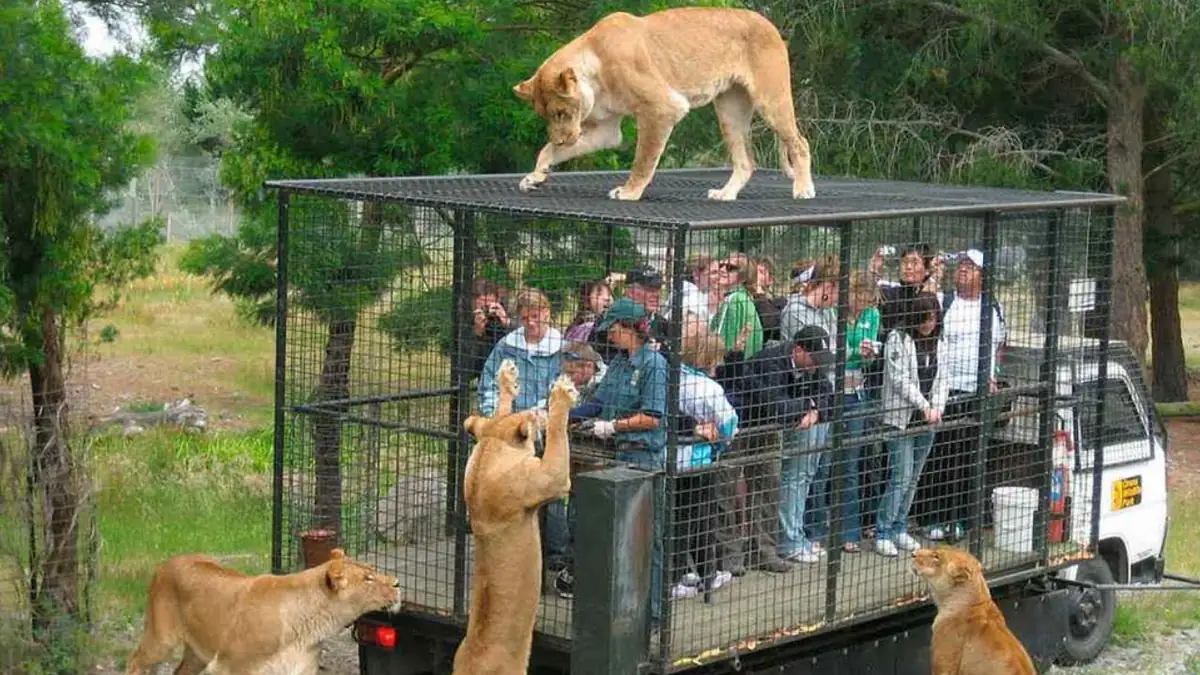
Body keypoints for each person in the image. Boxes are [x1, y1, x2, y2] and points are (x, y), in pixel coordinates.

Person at [572, 297, 669, 621]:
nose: (609, 335)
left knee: (644, 540)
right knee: (613, 537)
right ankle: (617, 610)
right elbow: (597, 403)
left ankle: (650, 615)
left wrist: (613, 426)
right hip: (615, 460)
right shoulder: (617, 363)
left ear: (629, 329)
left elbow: (653, 417)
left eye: (613, 329)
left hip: (643, 461)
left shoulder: (654, 366)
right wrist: (560, 414)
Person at [919, 249, 1007, 542]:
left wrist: (993, 375)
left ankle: (960, 519)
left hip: (977, 392)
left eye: (971, 267)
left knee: (969, 458)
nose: (964, 270)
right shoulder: (946, 302)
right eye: (962, 265)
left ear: (983, 275)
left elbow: (999, 345)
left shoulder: (992, 307)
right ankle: (933, 517)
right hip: (946, 391)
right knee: (940, 455)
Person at [876, 292, 948, 557]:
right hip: (900, 420)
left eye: (933, 318)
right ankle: (883, 531)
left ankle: (899, 526)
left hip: (928, 421)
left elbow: (943, 378)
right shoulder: (898, 339)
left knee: (914, 477)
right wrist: (924, 406)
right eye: (925, 319)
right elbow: (899, 379)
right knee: (901, 475)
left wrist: (938, 406)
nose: (929, 324)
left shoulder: (939, 342)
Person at [670, 327, 739, 599]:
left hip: (672, 459)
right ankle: (694, 576)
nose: (720, 363)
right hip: (699, 460)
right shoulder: (709, 388)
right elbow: (730, 424)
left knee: (679, 518)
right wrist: (719, 441)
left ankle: (694, 572)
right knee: (699, 519)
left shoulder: (674, 378)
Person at [775, 326, 836, 563]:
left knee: (807, 476)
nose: (816, 364)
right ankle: (789, 541)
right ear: (799, 351)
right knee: (794, 477)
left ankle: (798, 536)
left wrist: (815, 411)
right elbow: (777, 404)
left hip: (810, 425)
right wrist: (807, 408)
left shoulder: (813, 368)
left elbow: (828, 395)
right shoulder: (776, 362)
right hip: (784, 431)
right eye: (814, 357)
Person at [835, 271, 882, 553]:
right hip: (833, 389)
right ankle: (818, 527)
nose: (862, 305)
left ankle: (849, 530)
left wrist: (869, 352)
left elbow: (870, 350)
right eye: (859, 299)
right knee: (825, 464)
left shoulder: (872, 316)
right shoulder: (836, 313)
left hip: (857, 391)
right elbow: (834, 351)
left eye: (868, 301)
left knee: (851, 463)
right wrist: (854, 350)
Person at [476, 288, 564, 416]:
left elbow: (561, 394)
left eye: (535, 316)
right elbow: (488, 384)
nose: (530, 322)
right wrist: (495, 414)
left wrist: (535, 416)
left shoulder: (561, 349)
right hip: (505, 423)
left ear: (547, 312)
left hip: (544, 424)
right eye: (524, 318)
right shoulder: (506, 346)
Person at [588, 263, 667, 362]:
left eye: (658, 289)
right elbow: (592, 358)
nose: (655, 295)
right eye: (649, 289)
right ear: (629, 291)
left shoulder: (664, 325)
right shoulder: (607, 321)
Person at [710, 253, 764, 358]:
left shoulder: (733, 299)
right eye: (721, 265)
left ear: (743, 277)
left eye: (730, 268)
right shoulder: (743, 298)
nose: (722, 270)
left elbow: (720, 343)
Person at [467, 279, 512, 379]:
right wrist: (477, 334)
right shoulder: (466, 326)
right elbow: (468, 373)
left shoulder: (509, 319)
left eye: (489, 307)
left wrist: (507, 323)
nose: (487, 312)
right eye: (482, 308)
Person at [748, 256, 787, 343]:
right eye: (754, 271)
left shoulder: (779, 303)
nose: (755, 275)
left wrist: (759, 293)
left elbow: (769, 325)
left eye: (761, 272)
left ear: (770, 280)